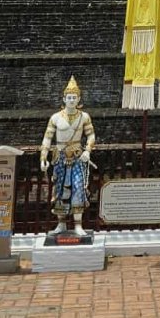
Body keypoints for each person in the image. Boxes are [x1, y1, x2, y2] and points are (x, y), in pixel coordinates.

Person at [39, 77, 96, 239]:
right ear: (64, 99)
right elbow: (47, 139)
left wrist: (87, 151)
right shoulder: (55, 117)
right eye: (69, 98)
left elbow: (91, 136)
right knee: (60, 190)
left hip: (77, 156)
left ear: (78, 99)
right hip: (59, 157)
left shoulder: (84, 117)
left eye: (74, 98)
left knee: (78, 189)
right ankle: (61, 223)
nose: (71, 100)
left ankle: (78, 225)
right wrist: (43, 157)